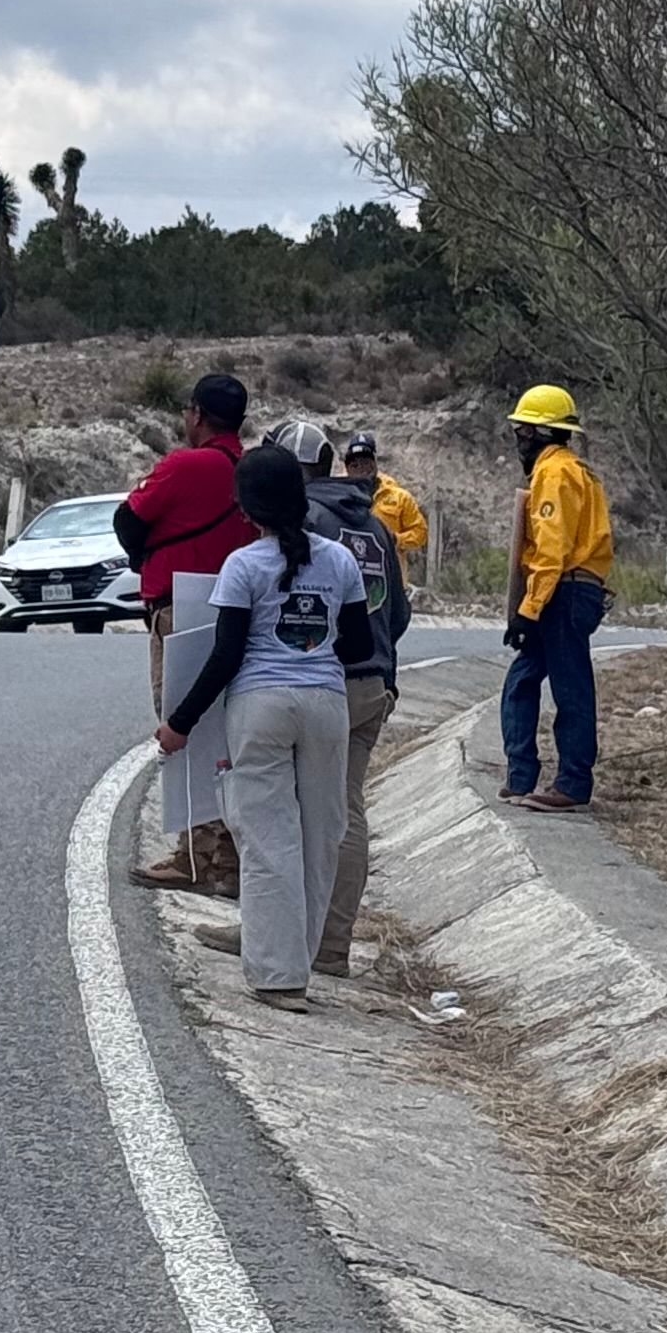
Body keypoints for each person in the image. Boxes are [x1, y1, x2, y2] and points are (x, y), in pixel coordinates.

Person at [155, 443, 379, 1013]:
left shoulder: (243, 566)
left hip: (260, 708)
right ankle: (302, 958)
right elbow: (356, 645)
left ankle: (280, 978)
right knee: (320, 836)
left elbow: (225, 655)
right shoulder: (339, 562)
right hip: (327, 706)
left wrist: (179, 723)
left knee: (267, 840)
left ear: (245, 511)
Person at [115, 370, 259, 893]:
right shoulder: (251, 470)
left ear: (196, 414)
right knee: (230, 736)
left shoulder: (185, 466)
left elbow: (128, 519)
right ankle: (230, 857)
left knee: (184, 726)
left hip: (183, 610)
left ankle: (194, 857)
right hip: (243, 611)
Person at [290, 416, 412, 977]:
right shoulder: (377, 526)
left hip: (325, 680)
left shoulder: (306, 520)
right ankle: (332, 942)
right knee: (347, 808)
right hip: (374, 681)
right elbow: (399, 612)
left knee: (294, 810)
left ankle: (286, 935)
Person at [499, 386, 614, 810]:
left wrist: (528, 610)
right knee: (523, 681)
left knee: (570, 687)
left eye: (522, 432)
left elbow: (552, 549)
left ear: (539, 434)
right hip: (570, 590)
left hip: (563, 592)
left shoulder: (554, 474)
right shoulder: (578, 472)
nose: (518, 441)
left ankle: (572, 785)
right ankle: (521, 777)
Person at [346, 431, 427, 581]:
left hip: (390, 581)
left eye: (366, 461)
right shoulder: (338, 496)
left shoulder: (400, 497)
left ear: (375, 462)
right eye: (355, 464)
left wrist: (397, 540)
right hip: (349, 579)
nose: (361, 468)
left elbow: (420, 532)